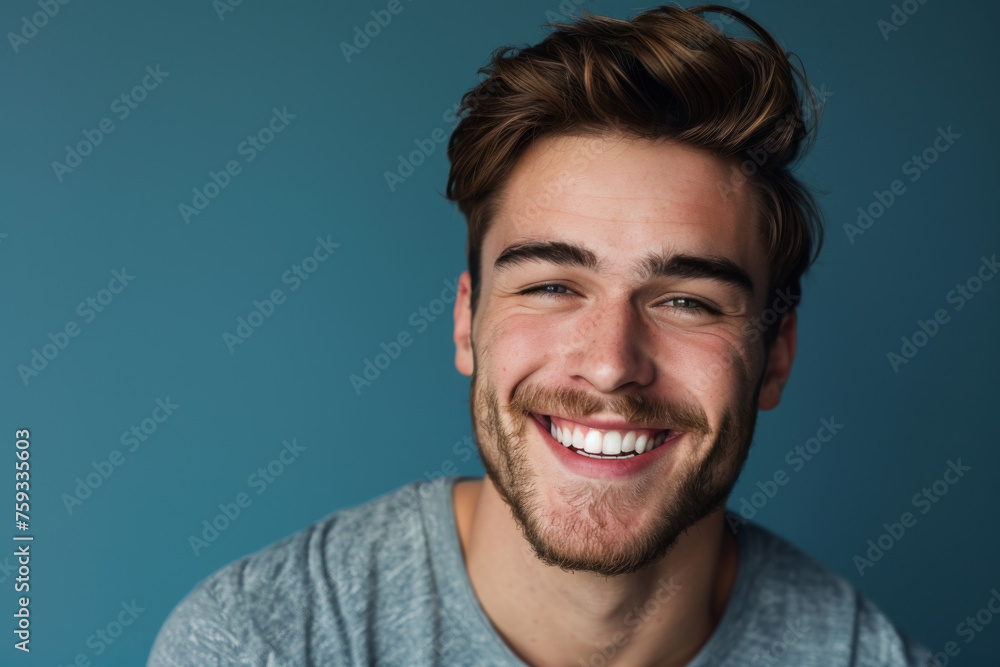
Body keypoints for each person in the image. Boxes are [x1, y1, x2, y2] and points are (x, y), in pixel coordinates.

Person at [149, 4, 935, 665]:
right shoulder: (264, 640)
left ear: (777, 354)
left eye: (688, 301)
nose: (610, 363)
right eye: (553, 286)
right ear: (467, 320)